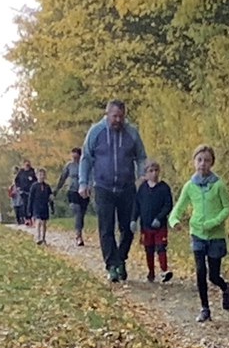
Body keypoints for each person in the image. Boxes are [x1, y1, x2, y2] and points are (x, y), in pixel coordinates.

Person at [79, 100, 147, 282]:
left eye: (121, 116)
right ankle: (112, 265)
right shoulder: (96, 132)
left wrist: (142, 176)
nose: (118, 120)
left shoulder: (132, 133)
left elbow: (141, 156)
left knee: (128, 227)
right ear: (107, 114)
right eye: (114, 116)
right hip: (103, 186)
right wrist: (83, 183)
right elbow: (86, 158)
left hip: (127, 186)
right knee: (106, 228)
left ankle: (121, 259)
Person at [168, 144, 229, 322]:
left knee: (213, 275)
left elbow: (228, 207)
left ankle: (225, 287)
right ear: (194, 162)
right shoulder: (190, 186)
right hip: (197, 234)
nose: (202, 164)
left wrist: (214, 222)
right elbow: (178, 208)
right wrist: (174, 221)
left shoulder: (218, 185)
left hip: (216, 236)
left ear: (212, 163)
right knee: (200, 271)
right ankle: (205, 309)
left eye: (206, 160)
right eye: (199, 160)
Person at [131, 161, 174, 282]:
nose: (154, 173)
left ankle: (164, 270)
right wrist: (133, 219)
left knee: (161, 247)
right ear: (146, 173)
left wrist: (159, 218)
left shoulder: (164, 188)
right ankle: (151, 272)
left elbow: (168, 205)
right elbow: (137, 205)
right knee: (148, 249)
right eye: (151, 171)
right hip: (146, 226)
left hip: (160, 226)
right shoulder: (142, 189)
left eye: (156, 170)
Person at [54, 147, 89, 246]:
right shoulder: (69, 166)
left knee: (81, 214)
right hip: (72, 191)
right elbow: (63, 178)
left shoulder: (85, 165)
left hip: (84, 191)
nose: (74, 159)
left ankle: (79, 231)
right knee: (77, 211)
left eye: (76, 157)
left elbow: (90, 176)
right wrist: (57, 189)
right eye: (73, 157)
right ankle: (78, 235)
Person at [28, 168, 54, 244]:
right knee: (38, 221)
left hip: (44, 206)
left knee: (44, 223)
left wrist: (52, 208)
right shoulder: (34, 186)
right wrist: (29, 210)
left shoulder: (47, 187)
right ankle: (38, 237)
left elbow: (51, 198)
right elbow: (30, 198)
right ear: (37, 176)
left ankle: (43, 238)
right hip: (36, 206)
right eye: (40, 175)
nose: (41, 176)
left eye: (43, 175)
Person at [15, 159, 38, 226]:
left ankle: (32, 218)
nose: (27, 166)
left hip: (31, 192)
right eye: (26, 165)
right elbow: (16, 180)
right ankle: (27, 219)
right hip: (23, 192)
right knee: (25, 205)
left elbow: (36, 180)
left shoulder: (32, 172)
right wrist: (18, 187)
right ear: (24, 165)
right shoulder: (21, 172)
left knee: (32, 205)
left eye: (28, 165)